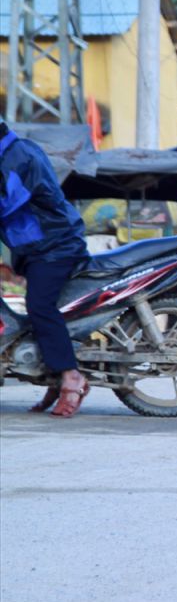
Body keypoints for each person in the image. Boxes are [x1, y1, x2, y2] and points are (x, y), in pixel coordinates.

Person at [0, 121, 91, 417]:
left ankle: (70, 376)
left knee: (39, 306)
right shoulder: (11, 153)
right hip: (38, 248)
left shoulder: (17, 156)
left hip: (56, 246)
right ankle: (52, 376)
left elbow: (7, 203)